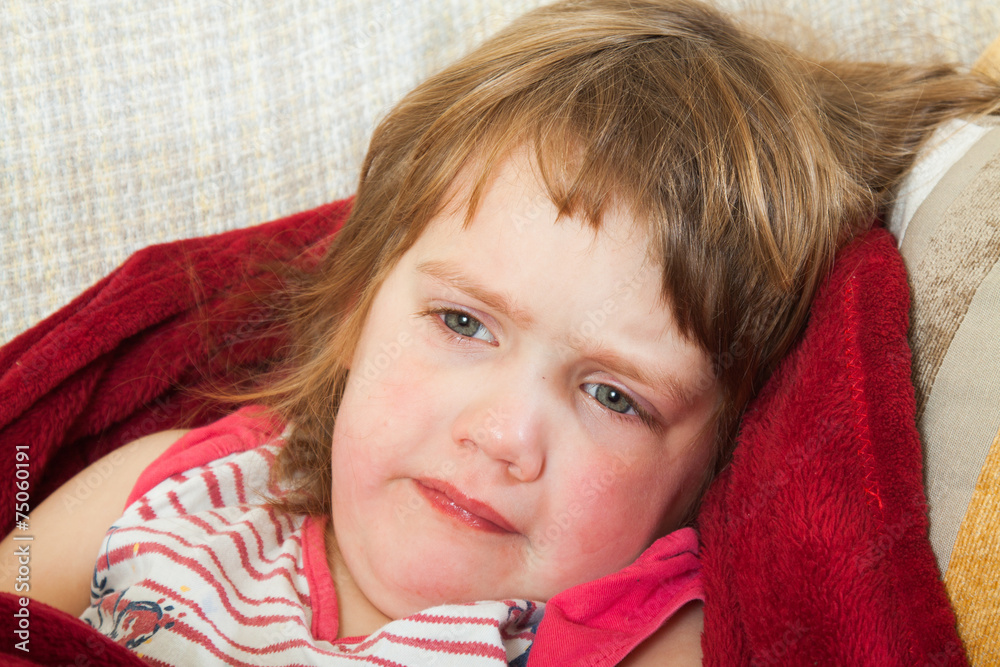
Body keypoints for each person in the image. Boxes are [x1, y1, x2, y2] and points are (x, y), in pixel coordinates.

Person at [3, 0, 998, 664]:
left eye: (612, 395)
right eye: (463, 322)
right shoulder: (183, 489)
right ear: (354, 306)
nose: (502, 433)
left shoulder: (635, 641)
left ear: (713, 466)